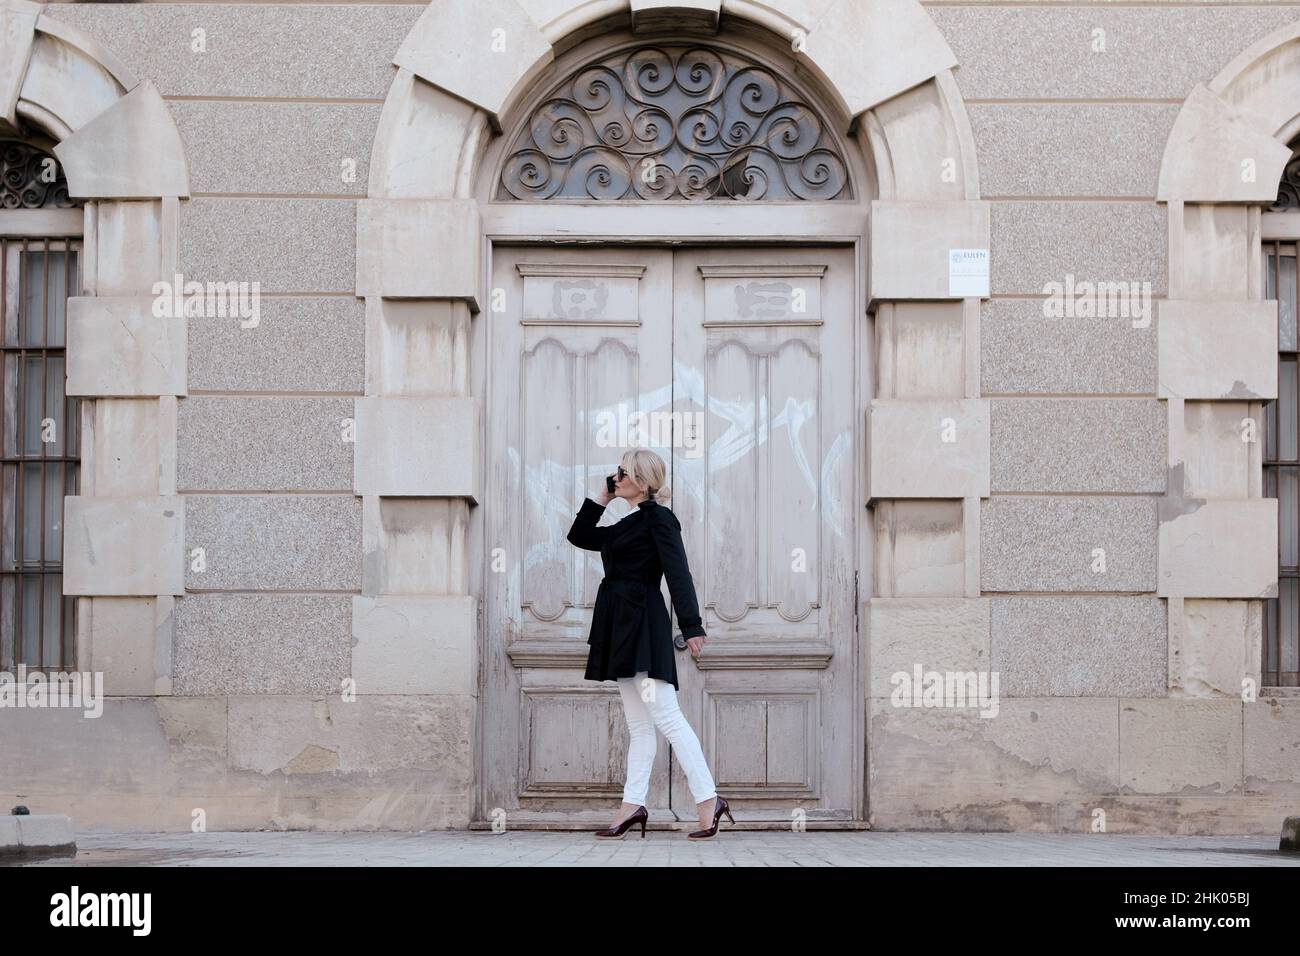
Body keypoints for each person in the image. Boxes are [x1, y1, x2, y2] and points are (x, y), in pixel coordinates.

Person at [566, 448, 733, 840]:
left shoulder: (659, 518)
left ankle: (708, 799)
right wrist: (602, 499)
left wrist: (691, 624)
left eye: (622, 472)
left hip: (642, 623)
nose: (615, 476)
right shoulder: (629, 523)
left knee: (668, 719)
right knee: (639, 726)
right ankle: (632, 804)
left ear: (641, 480)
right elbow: (579, 536)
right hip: (619, 623)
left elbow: (678, 572)